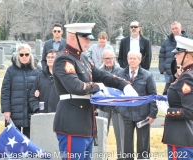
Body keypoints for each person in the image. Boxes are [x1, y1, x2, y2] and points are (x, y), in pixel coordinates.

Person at [52, 23, 138, 160]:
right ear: (73, 37)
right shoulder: (64, 59)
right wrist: (98, 87)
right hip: (72, 124)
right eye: (85, 38)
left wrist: (124, 85)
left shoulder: (83, 58)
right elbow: (75, 86)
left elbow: (102, 75)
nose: (88, 41)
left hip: (86, 125)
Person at [157, 36, 193, 160]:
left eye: (178, 53)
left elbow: (192, 111)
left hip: (181, 138)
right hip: (190, 136)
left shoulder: (188, 77)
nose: (175, 56)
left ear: (188, 56)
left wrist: (168, 111)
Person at [116, 50, 157, 160]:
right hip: (126, 114)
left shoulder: (147, 75)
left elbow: (153, 95)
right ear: (127, 59)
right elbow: (116, 94)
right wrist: (120, 109)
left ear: (139, 60)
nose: (132, 60)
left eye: (135, 58)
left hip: (143, 114)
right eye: (130, 58)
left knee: (143, 145)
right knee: (127, 144)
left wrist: (153, 114)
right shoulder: (120, 75)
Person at [1, 44, 41, 138]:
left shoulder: (38, 70)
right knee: (14, 141)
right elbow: (5, 91)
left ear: (30, 55)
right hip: (15, 110)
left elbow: (43, 86)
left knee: (30, 140)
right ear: (17, 55)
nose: (24, 57)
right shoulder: (11, 70)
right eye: (21, 54)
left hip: (32, 109)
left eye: (26, 54)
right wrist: (6, 110)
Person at [97, 49, 124, 160]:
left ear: (114, 58)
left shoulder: (121, 71)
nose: (108, 60)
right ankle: (101, 156)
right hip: (104, 107)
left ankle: (122, 157)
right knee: (101, 134)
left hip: (118, 107)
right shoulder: (98, 72)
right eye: (105, 58)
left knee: (120, 135)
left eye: (110, 58)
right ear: (102, 59)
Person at [29, 49, 59, 113]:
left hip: (59, 115)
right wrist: (37, 109)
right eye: (48, 57)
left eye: (53, 57)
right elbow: (32, 97)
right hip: (44, 115)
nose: (50, 59)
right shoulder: (40, 76)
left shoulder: (63, 76)